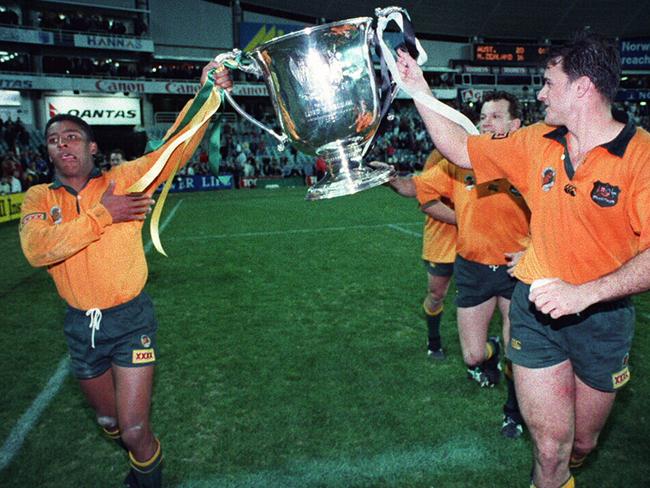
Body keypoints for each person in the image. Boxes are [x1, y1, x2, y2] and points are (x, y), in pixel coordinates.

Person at [395, 32, 650, 488]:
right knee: (550, 449)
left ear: (583, 87)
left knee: (581, 446)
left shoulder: (641, 157)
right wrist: (419, 89)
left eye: (549, 83)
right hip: (535, 310)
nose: (539, 93)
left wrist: (585, 293)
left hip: (603, 320)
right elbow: (461, 149)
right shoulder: (536, 142)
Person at [19, 59, 225, 488]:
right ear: (49, 151)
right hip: (81, 326)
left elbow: (173, 150)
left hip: (130, 321)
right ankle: (137, 455)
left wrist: (207, 95)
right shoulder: (39, 197)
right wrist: (103, 216)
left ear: (92, 148)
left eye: (72, 137)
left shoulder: (124, 180)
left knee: (134, 431)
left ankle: (146, 475)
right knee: (109, 420)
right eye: (54, 140)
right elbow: (38, 250)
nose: (63, 145)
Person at [383, 91, 530, 439]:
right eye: (483, 116)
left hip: (517, 269)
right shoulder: (458, 160)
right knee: (472, 356)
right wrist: (387, 177)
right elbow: (415, 188)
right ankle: (490, 353)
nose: (485, 122)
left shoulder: (529, 159)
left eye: (495, 116)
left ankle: (513, 413)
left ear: (515, 124)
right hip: (474, 268)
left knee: (519, 355)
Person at [417, 149, 458, 360]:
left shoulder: (483, 149)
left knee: (478, 297)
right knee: (436, 294)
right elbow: (427, 197)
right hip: (441, 241)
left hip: (476, 241)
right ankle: (433, 341)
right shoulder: (438, 155)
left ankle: (478, 348)